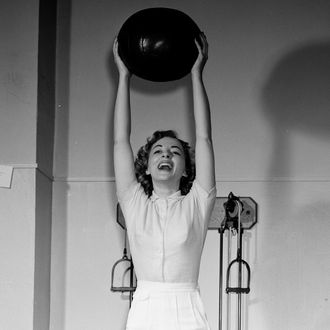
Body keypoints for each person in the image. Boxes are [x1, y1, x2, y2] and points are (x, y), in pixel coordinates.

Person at [113, 32, 216, 330]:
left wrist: (196, 74)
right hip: (145, 308)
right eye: (158, 150)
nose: (166, 155)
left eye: (175, 152)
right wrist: (123, 76)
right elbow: (121, 141)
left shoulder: (199, 201)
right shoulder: (133, 202)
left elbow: (205, 137)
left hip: (187, 307)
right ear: (146, 167)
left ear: (186, 169)